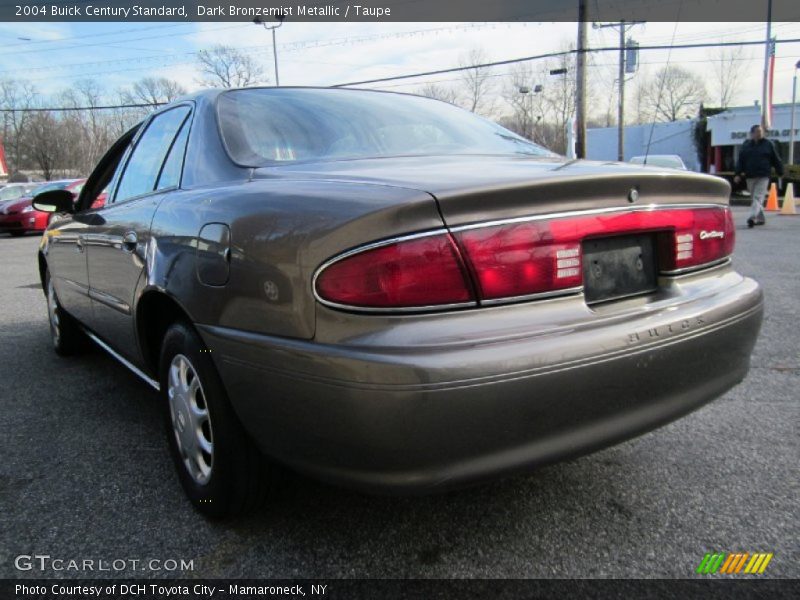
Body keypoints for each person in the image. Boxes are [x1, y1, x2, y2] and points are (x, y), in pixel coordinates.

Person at [733, 124, 784, 228]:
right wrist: (737, 174)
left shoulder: (768, 144)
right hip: (750, 176)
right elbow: (741, 160)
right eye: (757, 131)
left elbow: (775, 159)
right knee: (755, 199)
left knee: (758, 197)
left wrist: (780, 171)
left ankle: (752, 217)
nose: (760, 133)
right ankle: (761, 218)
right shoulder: (746, 145)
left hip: (763, 176)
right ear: (752, 134)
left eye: (761, 131)